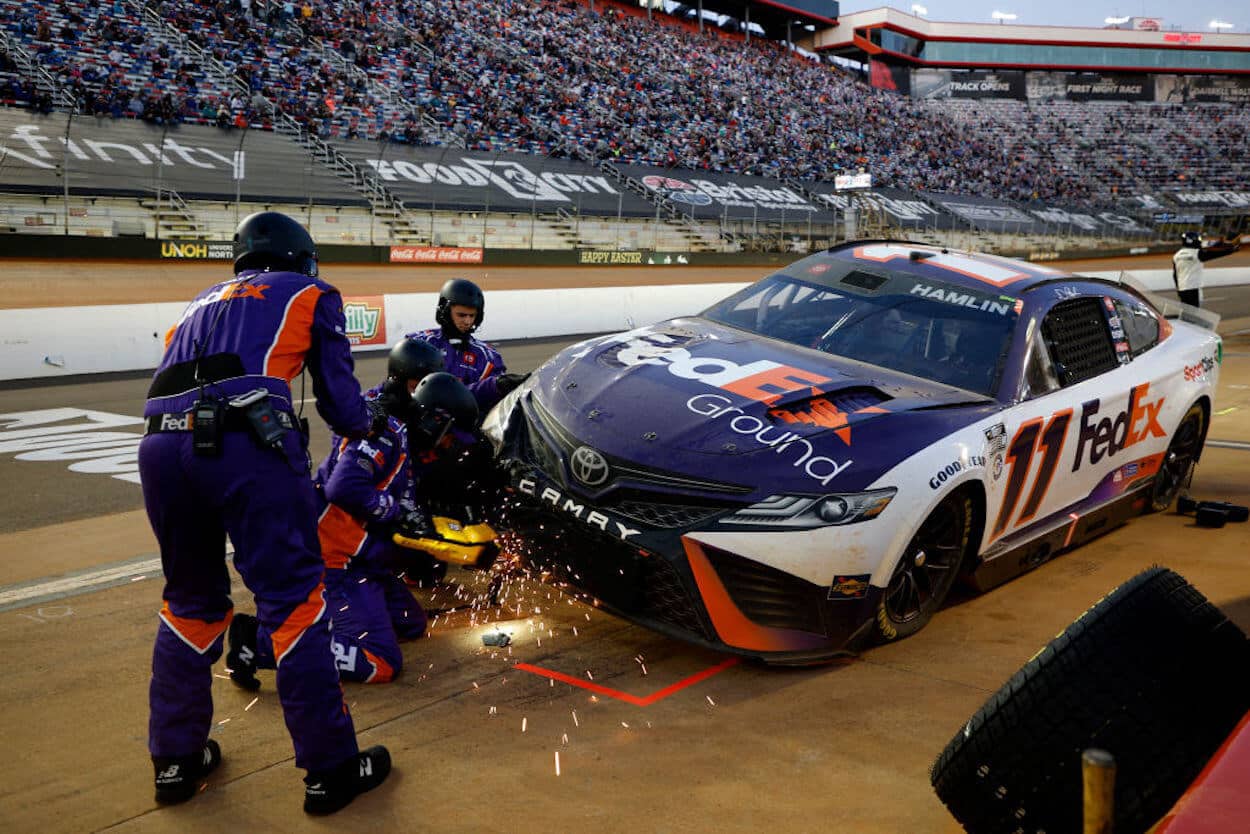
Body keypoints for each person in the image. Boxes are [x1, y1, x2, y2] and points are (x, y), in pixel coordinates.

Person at [139, 211, 391, 815]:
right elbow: (339, 397)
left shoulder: (199, 300)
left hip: (159, 446)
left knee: (190, 600)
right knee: (294, 602)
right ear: (302, 258)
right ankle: (330, 771)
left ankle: (174, 761)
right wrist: (366, 429)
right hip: (246, 441)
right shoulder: (312, 292)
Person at [407, 278, 529, 413]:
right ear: (445, 310)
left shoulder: (489, 357)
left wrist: (498, 386)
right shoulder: (420, 343)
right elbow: (395, 389)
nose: (467, 321)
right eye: (461, 315)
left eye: (472, 316)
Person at [1173, 231, 1240, 308]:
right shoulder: (1196, 253)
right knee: (1195, 313)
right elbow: (1213, 254)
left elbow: (1175, 275)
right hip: (1194, 288)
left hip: (1182, 289)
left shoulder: (1176, 255)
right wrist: (1232, 250)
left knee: (1186, 312)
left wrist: (1178, 289)